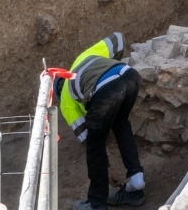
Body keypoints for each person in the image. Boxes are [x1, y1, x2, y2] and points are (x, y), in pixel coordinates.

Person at [55, 33, 146, 210]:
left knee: (94, 147)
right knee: (121, 124)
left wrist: (107, 170)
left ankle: (97, 204)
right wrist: (113, 66)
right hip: (129, 75)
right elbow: (118, 39)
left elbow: (88, 140)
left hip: (105, 89)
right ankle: (136, 183)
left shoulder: (66, 101)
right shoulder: (83, 57)